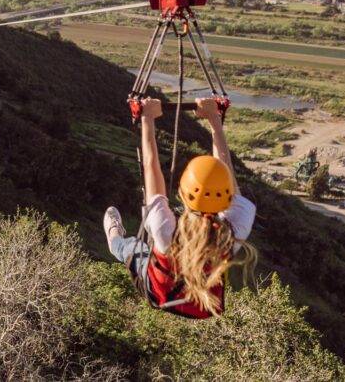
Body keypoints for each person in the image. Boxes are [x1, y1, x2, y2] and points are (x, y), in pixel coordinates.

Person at [104, 97, 257, 318]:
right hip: (205, 308)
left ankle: (114, 237)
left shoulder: (166, 229)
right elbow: (225, 171)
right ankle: (117, 239)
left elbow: (151, 166)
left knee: (129, 249)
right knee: (148, 247)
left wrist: (147, 117)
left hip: (160, 294)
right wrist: (214, 118)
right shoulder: (236, 226)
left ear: (183, 193)